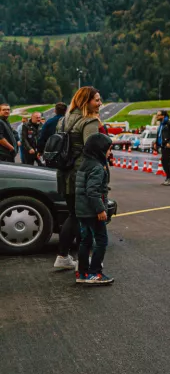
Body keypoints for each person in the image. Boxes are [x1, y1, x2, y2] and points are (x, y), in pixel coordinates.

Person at [54, 87, 104, 271]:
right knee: (85, 217)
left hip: (64, 173)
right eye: (96, 100)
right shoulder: (89, 121)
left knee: (72, 215)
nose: (100, 104)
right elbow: (92, 150)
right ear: (86, 101)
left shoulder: (63, 120)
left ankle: (63, 256)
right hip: (82, 175)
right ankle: (84, 262)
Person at [75, 132, 115, 285]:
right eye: (108, 149)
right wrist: (100, 209)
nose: (109, 152)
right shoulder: (98, 167)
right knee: (101, 241)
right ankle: (94, 273)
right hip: (93, 211)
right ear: (99, 150)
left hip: (82, 209)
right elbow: (92, 191)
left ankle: (83, 272)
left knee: (85, 240)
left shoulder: (85, 163)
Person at [155, 110, 170, 186]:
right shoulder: (162, 124)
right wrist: (156, 143)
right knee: (164, 161)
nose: (156, 116)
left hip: (169, 145)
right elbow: (159, 135)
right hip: (163, 145)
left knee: (165, 161)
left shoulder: (169, 123)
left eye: (158, 115)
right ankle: (169, 177)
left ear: (163, 116)